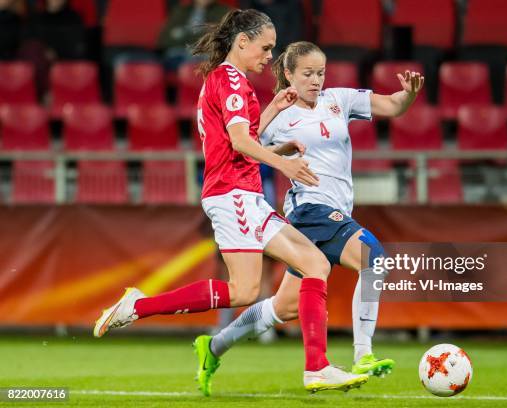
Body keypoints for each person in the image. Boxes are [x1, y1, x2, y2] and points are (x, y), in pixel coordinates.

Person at [93, 10, 368, 394]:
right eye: (265, 47)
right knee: (242, 292)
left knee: (315, 263)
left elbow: (242, 138)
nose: (269, 57)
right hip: (232, 193)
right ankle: (138, 306)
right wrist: (283, 161)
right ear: (242, 42)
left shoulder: (223, 80)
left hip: (246, 192)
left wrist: (275, 120)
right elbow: (240, 143)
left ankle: (317, 367)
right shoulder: (233, 83)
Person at [194, 41, 425, 395]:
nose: (316, 80)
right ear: (288, 74)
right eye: (308, 74)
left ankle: (213, 347)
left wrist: (407, 96)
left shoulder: (340, 100)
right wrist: (271, 113)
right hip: (308, 210)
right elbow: (242, 142)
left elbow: (393, 106)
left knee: (284, 307)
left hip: (335, 213)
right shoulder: (280, 115)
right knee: (373, 258)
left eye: (320, 73)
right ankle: (363, 354)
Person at [157, 0, 232, 70]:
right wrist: (201, 33)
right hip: (177, 55)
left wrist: (182, 34)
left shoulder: (224, 12)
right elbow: (164, 39)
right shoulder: (181, 11)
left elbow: (217, 39)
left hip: (204, 56)